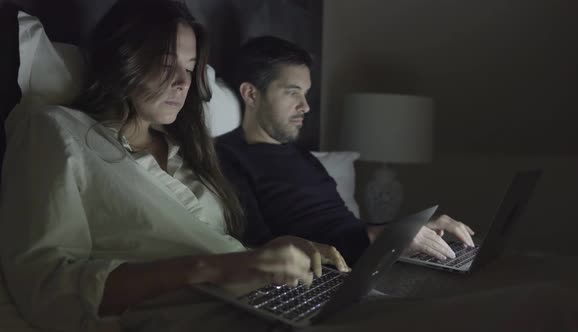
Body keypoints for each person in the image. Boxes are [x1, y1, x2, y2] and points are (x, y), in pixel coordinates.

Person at [0, 1, 349, 331]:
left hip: (255, 304)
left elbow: (208, 246)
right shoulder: (53, 130)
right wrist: (211, 268)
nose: (183, 83)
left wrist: (268, 256)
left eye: (190, 67)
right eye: (166, 65)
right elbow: (47, 287)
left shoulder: (190, 151)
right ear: (123, 58)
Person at [215, 36, 475, 265]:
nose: (305, 106)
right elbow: (261, 252)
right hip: (322, 275)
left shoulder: (302, 156)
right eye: (292, 93)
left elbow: (345, 228)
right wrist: (380, 237)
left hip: (365, 260)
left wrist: (403, 231)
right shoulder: (228, 158)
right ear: (251, 94)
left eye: (305, 94)